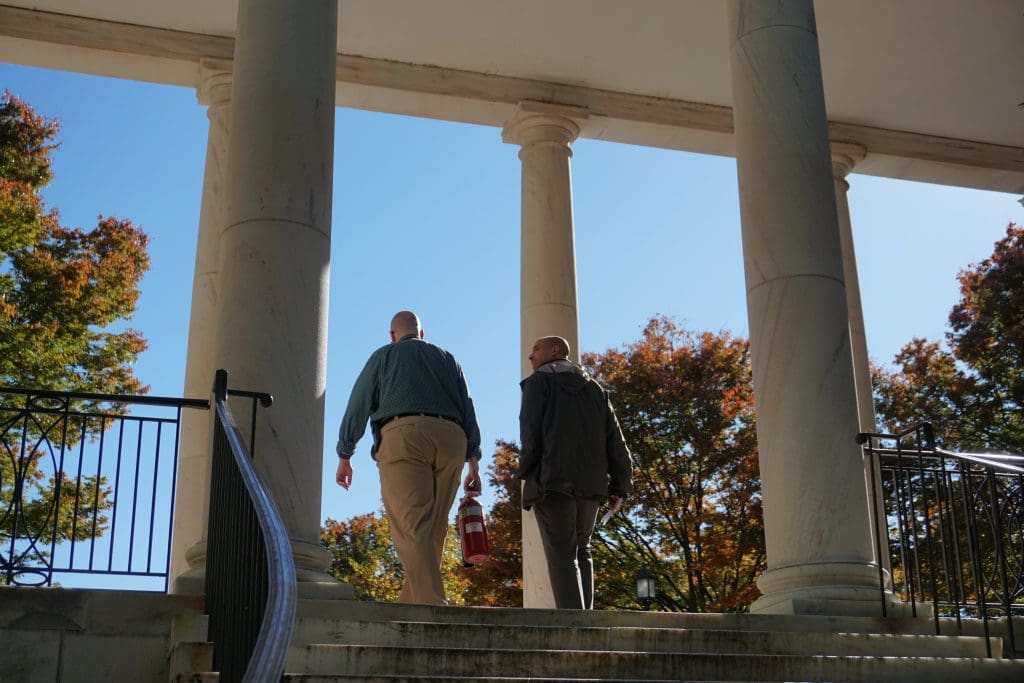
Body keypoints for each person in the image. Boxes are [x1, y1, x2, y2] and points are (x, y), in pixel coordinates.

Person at [335, 310, 482, 605]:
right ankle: (410, 603)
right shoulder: (448, 359)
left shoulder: (384, 357)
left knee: (413, 526)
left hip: (405, 436)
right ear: (422, 333)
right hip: (452, 438)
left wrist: (345, 452)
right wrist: (473, 460)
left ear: (392, 336)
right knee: (434, 529)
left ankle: (432, 607)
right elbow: (468, 406)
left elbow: (359, 403)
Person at [516, 335, 632, 610]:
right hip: (591, 486)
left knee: (562, 555)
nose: (530, 356)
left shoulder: (538, 383)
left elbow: (530, 434)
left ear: (555, 351)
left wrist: (524, 471)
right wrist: (621, 485)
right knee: (583, 550)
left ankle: (575, 627)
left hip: (552, 482)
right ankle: (586, 622)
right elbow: (616, 442)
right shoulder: (596, 390)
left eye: (536, 349)